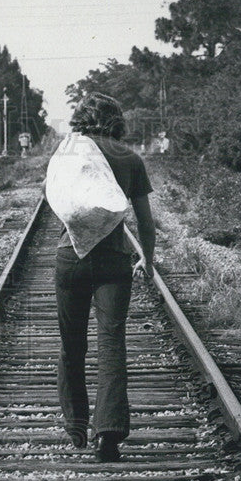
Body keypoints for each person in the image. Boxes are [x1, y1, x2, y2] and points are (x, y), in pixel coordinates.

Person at [52, 92, 155, 461]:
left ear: (81, 117)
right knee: (111, 344)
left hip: (70, 258)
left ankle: (76, 425)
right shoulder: (131, 158)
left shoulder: (67, 152)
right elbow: (144, 220)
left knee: (71, 344)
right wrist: (150, 260)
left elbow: (59, 203)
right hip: (114, 261)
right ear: (116, 119)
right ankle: (108, 435)